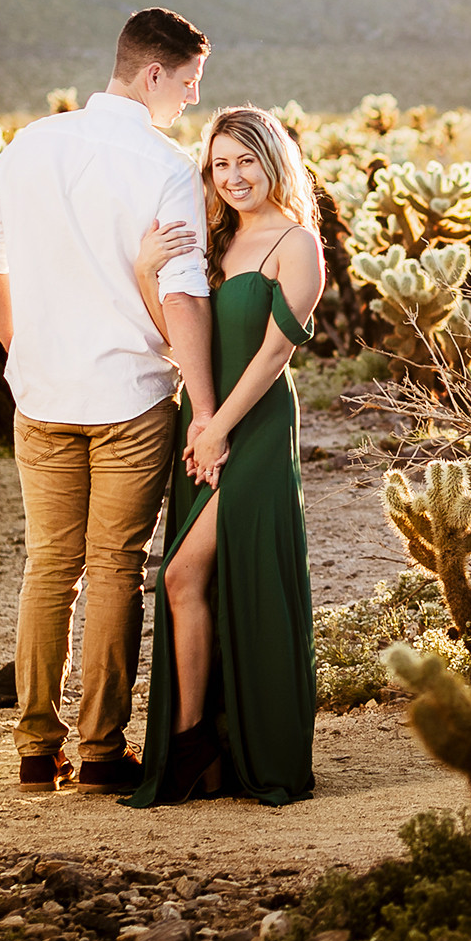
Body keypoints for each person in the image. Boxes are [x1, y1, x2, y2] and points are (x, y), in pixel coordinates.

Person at [0, 8, 216, 794]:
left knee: (48, 569)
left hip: (40, 394)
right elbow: (180, 292)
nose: (190, 101)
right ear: (153, 75)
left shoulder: (33, 141)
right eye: (188, 85)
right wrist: (202, 398)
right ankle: (102, 751)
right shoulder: (168, 168)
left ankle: (36, 749)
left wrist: (21, 349)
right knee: (112, 571)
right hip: (130, 396)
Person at [120, 104, 326, 807]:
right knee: (190, 583)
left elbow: (275, 353)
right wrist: (150, 276)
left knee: (182, 574)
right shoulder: (211, 244)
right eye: (220, 165)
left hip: (257, 426)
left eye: (246, 161)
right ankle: (198, 748)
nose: (233, 177)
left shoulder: (295, 244)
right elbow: (180, 336)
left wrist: (218, 428)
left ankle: (208, 748)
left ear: (273, 161)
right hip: (204, 423)